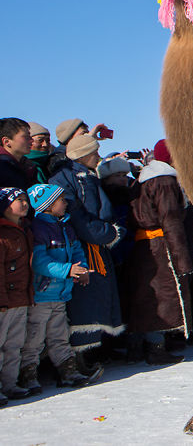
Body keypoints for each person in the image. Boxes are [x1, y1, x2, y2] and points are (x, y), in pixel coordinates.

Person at [48, 135, 125, 363]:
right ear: (82, 154)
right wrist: (106, 233)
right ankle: (79, 356)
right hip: (80, 248)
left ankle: (96, 348)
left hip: (96, 247)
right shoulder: (64, 178)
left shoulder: (87, 175)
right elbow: (76, 216)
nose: (98, 157)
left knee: (98, 299)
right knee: (83, 302)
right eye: (94, 152)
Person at [21, 184, 94, 393]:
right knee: (34, 337)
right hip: (42, 295)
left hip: (61, 294)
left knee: (60, 335)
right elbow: (39, 262)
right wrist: (67, 270)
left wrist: (81, 269)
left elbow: (77, 250)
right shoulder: (38, 228)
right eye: (61, 200)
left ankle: (68, 371)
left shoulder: (65, 226)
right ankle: (27, 374)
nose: (66, 203)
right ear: (47, 205)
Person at [125, 139, 192, 364]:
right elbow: (170, 220)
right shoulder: (164, 181)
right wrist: (182, 260)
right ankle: (156, 348)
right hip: (161, 245)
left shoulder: (144, 179)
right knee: (163, 295)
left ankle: (136, 347)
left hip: (144, 245)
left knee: (145, 294)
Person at [0, 188, 33, 403]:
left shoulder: (25, 229)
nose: (24, 203)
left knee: (14, 345)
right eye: (18, 200)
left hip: (21, 298)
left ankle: (10, 384)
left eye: (25, 199)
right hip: (5, 301)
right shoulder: (3, 234)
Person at [0, 118, 36, 190]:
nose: (32, 140)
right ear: (7, 141)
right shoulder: (2, 167)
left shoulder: (28, 166)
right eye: (26, 137)